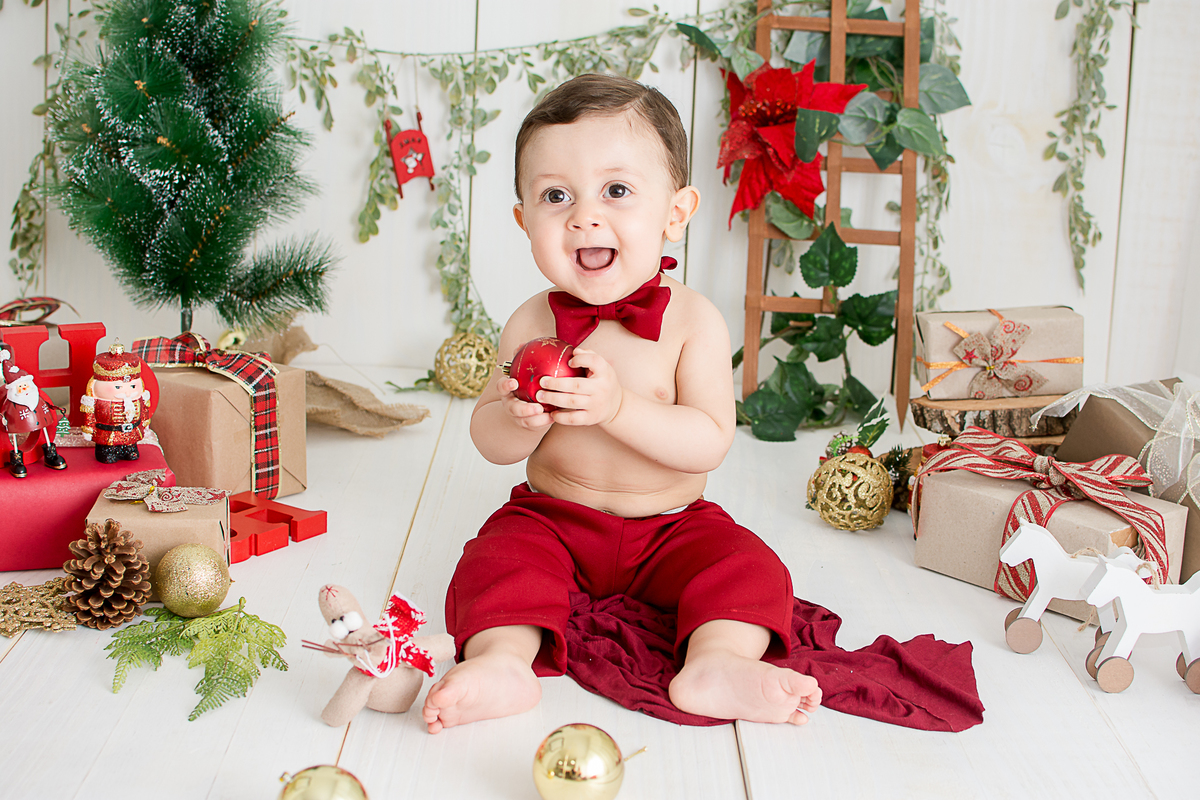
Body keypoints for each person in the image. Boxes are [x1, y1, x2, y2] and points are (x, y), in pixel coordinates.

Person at [422, 74, 821, 734]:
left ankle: (716, 663)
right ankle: (502, 662)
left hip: (673, 525)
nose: (584, 216)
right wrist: (515, 420)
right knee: (497, 559)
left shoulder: (694, 321)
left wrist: (617, 409)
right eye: (556, 196)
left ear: (675, 211)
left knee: (750, 568)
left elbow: (710, 440)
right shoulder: (530, 321)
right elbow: (490, 443)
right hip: (555, 518)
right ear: (524, 221)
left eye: (617, 190)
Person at [80, 342, 153, 463]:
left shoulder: (140, 399)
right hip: (108, 434)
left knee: (131, 450)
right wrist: (88, 430)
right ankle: (107, 452)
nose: (127, 392)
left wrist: (145, 423)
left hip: (131, 433)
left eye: (133, 386)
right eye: (118, 387)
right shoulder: (94, 402)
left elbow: (144, 411)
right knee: (107, 451)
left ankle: (130, 450)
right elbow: (90, 416)